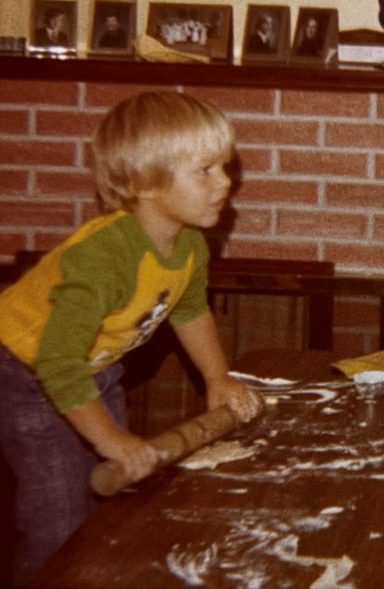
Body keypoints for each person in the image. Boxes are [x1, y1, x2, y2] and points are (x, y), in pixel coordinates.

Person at [0, 91, 263, 585]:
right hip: (26, 372)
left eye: (223, 167)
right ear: (144, 184)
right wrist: (113, 440)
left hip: (91, 369)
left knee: (117, 498)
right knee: (58, 518)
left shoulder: (188, 244)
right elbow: (57, 363)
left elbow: (189, 310)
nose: (225, 183)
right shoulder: (105, 256)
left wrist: (217, 377)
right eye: (204, 170)